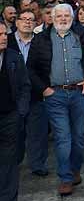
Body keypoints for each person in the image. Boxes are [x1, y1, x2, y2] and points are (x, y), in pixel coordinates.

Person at [27, 4, 84, 196]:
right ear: (52, 17)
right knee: (63, 138)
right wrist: (45, 89)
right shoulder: (41, 39)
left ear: (72, 18)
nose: (63, 19)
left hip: (79, 94)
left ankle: (75, 170)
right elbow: (31, 68)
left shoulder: (80, 35)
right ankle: (65, 178)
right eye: (60, 15)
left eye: (67, 15)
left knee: (78, 139)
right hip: (55, 96)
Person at [9, 10, 48, 176]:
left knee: (37, 131)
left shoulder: (41, 42)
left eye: (31, 20)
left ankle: (37, 164)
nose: (27, 22)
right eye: (23, 19)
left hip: (36, 93)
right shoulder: (7, 41)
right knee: (14, 132)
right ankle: (13, 162)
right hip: (11, 96)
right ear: (16, 22)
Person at [0, 23, 31, 201]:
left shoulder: (13, 57)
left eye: (5, 33)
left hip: (10, 116)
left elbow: (25, 86)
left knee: (9, 161)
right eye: (0, 34)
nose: (4, 37)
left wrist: (20, 112)